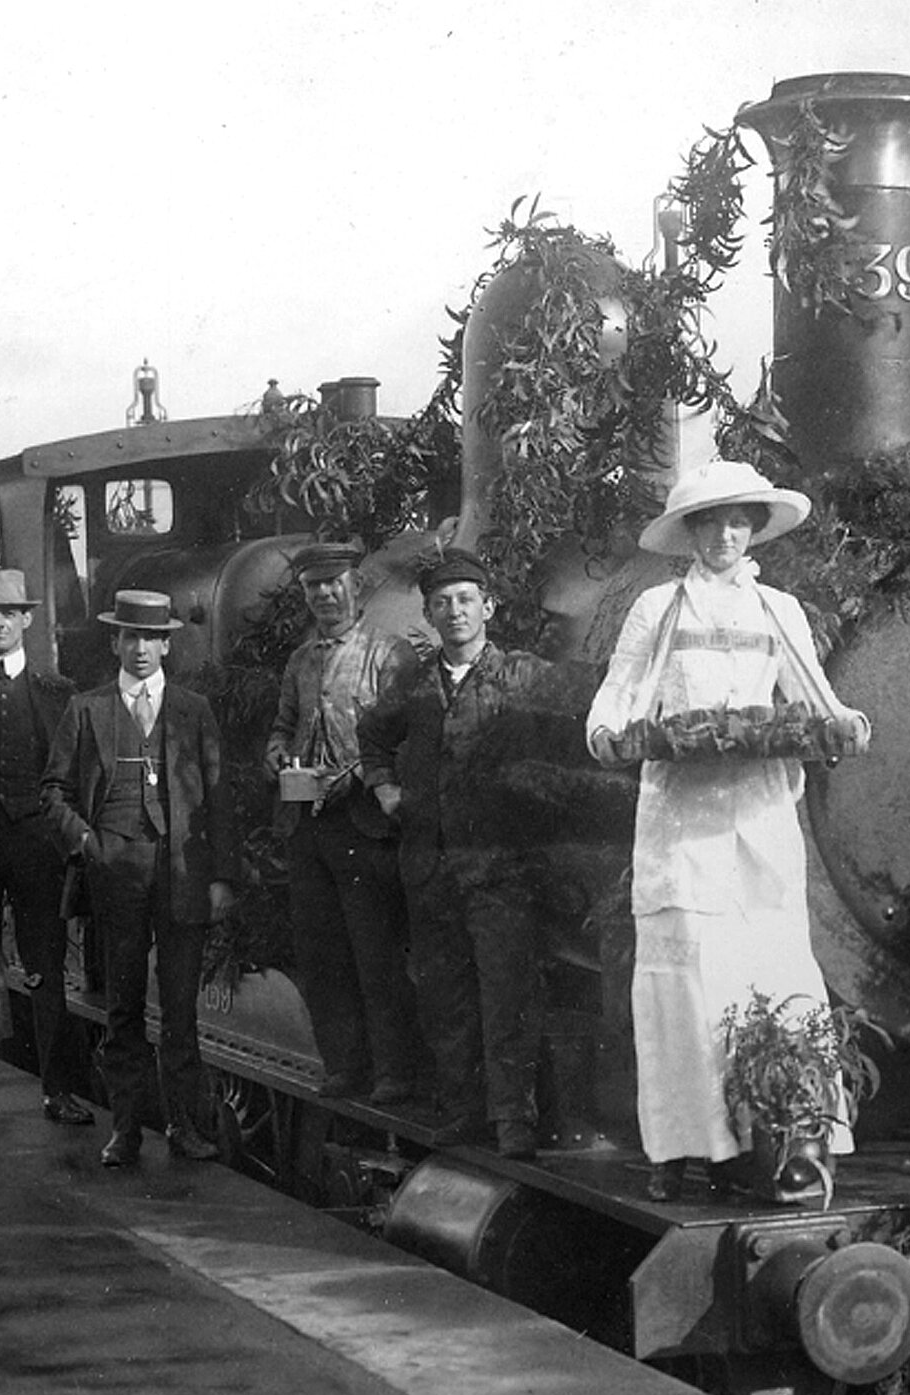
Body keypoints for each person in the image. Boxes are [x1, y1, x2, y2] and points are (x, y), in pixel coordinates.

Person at [583, 458, 871, 1201]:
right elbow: (617, 695)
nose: (727, 534)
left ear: (755, 532)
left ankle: (796, 1140)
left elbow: (815, 695)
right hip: (681, 823)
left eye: (740, 521)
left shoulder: (779, 609)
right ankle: (681, 1147)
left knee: (777, 976)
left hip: (760, 815)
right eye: (712, 522)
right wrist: (610, 733)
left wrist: (843, 725)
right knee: (686, 983)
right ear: (692, 532)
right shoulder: (658, 607)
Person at [357, 550, 550, 1159]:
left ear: (488, 607)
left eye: (466, 599)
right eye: (442, 603)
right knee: (445, 996)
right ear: (429, 615)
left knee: (507, 993)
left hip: (499, 869)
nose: (455, 610)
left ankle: (513, 1119)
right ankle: (464, 1110)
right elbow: (371, 736)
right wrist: (385, 788)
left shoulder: (520, 675)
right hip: (430, 866)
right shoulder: (414, 688)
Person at [43, 590, 238, 1167]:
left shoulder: (193, 709)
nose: (141, 648)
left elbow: (220, 797)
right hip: (115, 875)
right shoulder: (87, 708)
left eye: (152, 638)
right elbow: (52, 792)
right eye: (131, 637)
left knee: (181, 1010)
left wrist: (224, 877)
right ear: (115, 643)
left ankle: (184, 1127)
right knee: (123, 1007)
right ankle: (125, 1129)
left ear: (168, 645)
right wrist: (84, 841)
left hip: (182, 874)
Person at [264, 541, 431, 1103]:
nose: (325, 595)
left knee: (375, 953)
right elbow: (284, 725)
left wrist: (352, 774)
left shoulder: (389, 655)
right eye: (314, 586)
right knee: (321, 953)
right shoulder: (301, 660)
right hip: (306, 828)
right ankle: (344, 1065)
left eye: (334, 583)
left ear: (356, 585)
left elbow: (403, 742)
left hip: (363, 826)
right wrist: (277, 755)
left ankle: (394, 1072)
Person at [0, 567, 88, 1126]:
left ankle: (60, 1091)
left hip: (36, 846)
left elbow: (69, 772)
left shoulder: (55, 693)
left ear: (27, 619)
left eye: (8, 613)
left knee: (46, 967)